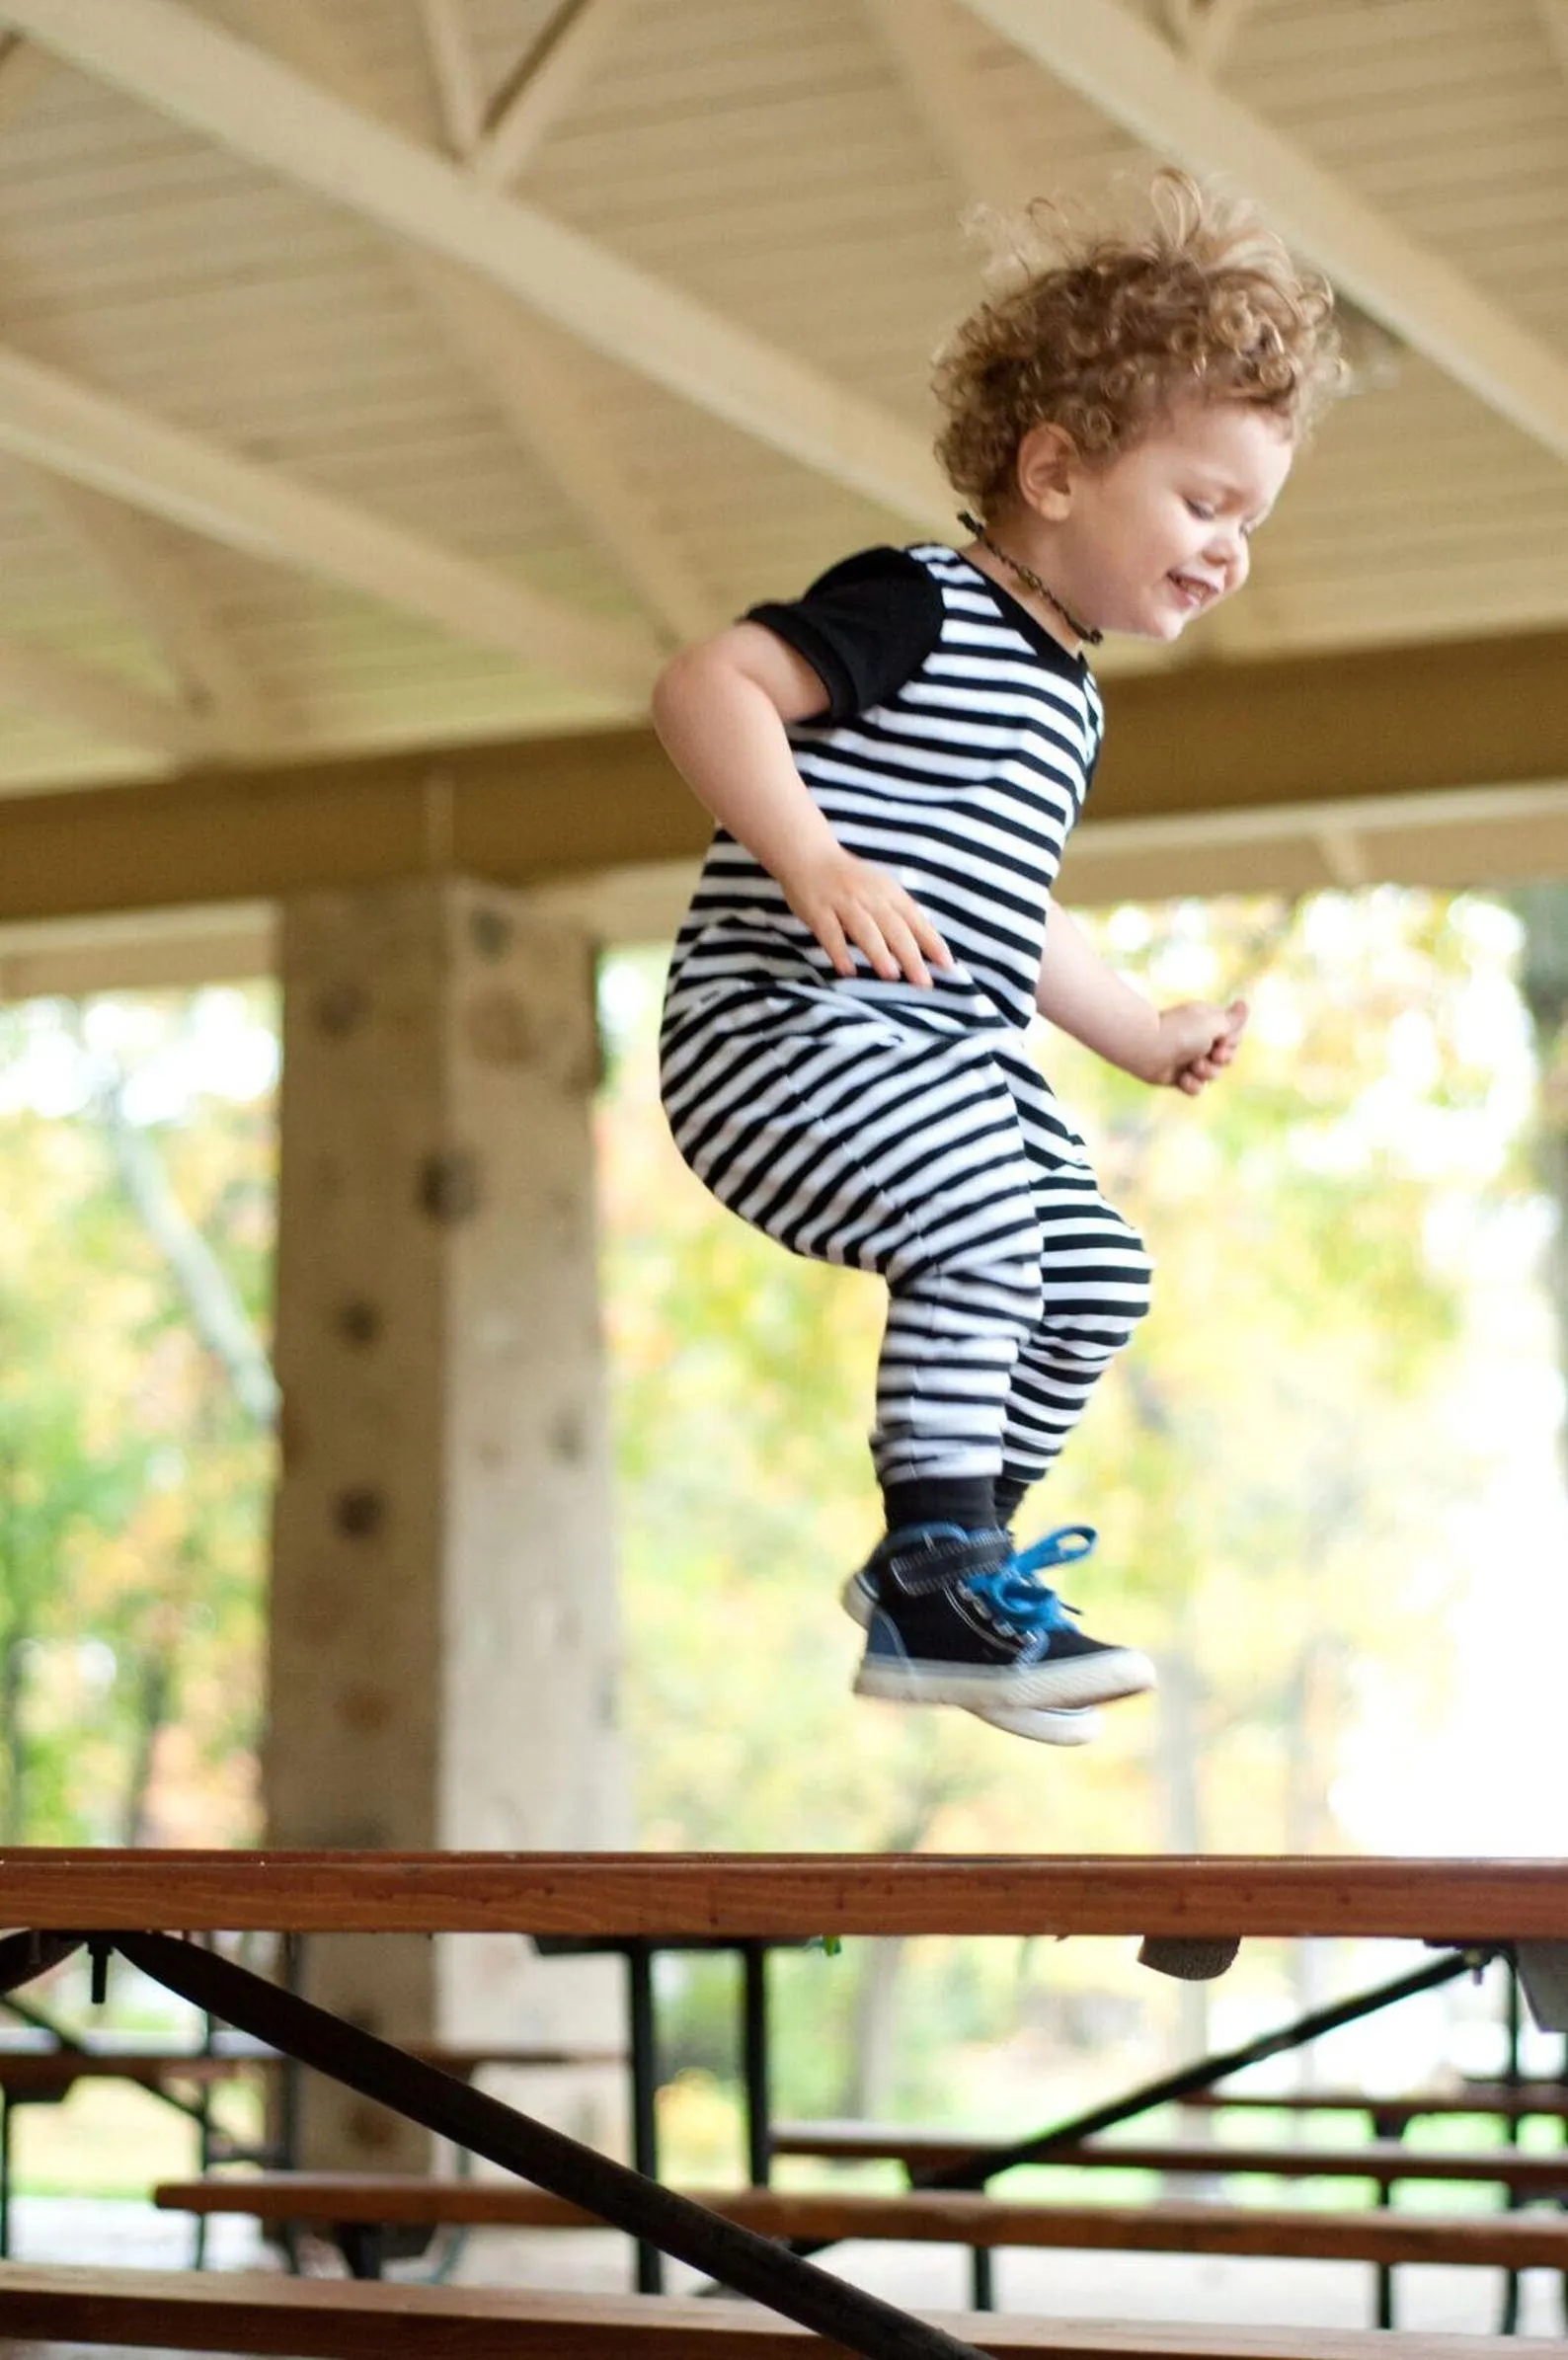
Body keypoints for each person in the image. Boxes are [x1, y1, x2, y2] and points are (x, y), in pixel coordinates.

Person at [654, 173, 1344, 1746]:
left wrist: (1143, 1033)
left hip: (930, 1053)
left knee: (1098, 1271)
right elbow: (706, 687)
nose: (1231, 550)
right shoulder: (924, 604)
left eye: (1252, 520)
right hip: (782, 1036)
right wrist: (812, 856)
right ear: (1055, 468)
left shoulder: (1068, 697)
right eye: (1205, 503)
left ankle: (955, 1577)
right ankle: (937, 1564)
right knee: (981, 1216)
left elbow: (1003, 909)